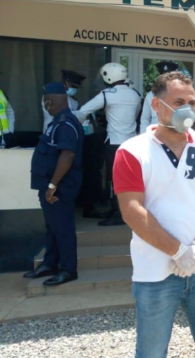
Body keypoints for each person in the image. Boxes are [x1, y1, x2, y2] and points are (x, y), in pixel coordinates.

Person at [113, 71, 195, 358]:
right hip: (155, 272)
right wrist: (178, 251)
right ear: (157, 105)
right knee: (151, 352)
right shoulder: (132, 151)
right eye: (178, 102)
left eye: (191, 103)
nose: (187, 109)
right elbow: (132, 210)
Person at [25, 82, 84, 286]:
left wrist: (52, 186)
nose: (45, 105)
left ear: (48, 102)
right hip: (52, 185)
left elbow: (67, 155)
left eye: (45, 102)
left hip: (60, 187)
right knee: (52, 227)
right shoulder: (58, 122)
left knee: (62, 228)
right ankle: (50, 264)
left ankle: (68, 269)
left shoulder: (65, 123)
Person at [75, 63, 141, 226]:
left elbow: (83, 111)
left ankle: (118, 213)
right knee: (127, 178)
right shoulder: (135, 94)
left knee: (114, 179)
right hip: (132, 143)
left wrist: (72, 126)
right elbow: (135, 114)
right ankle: (122, 210)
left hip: (114, 143)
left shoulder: (107, 95)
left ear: (108, 77)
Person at [139, 61, 179, 133]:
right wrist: (145, 136)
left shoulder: (179, 95)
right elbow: (145, 119)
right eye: (162, 76)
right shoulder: (151, 95)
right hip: (154, 135)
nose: (165, 79)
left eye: (169, 76)